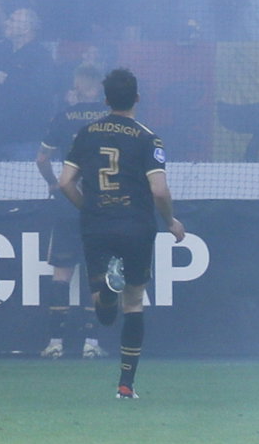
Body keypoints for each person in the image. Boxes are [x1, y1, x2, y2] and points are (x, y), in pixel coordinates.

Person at [51, 66, 187, 402]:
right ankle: (126, 385)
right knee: (135, 304)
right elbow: (158, 190)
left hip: (97, 224)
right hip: (136, 225)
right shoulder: (147, 137)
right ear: (137, 98)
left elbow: (65, 182)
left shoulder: (86, 133)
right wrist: (170, 221)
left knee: (104, 310)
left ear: (105, 99)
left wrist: (88, 208)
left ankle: (108, 293)